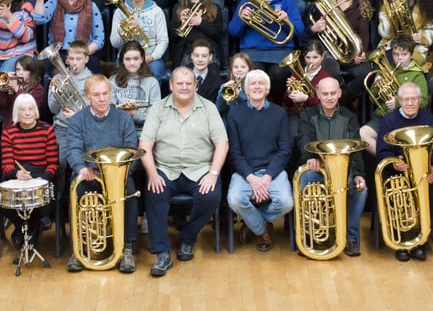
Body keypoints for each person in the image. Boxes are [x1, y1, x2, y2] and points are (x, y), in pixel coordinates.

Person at [139, 67, 228, 277]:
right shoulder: (158, 109)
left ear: (195, 85)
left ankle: (188, 237)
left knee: (211, 196)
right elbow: (144, 144)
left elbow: (222, 144)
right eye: (179, 83)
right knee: (154, 194)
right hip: (165, 170)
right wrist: (152, 174)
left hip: (200, 170)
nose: (184, 87)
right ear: (170, 85)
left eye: (189, 83)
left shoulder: (209, 108)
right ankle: (162, 253)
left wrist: (213, 174)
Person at [65, 75, 138, 273]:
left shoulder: (123, 118)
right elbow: (72, 148)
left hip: (117, 175)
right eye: (96, 95)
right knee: (76, 188)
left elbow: (132, 149)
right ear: (87, 96)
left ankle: (127, 248)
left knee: (130, 192)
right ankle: (79, 249)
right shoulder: (78, 120)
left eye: (105, 93)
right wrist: (81, 168)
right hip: (90, 175)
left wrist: (123, 172)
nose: (102, 99)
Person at [297, 77, 367, 256]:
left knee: (361, 189)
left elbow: (356, 146)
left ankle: (350, 237)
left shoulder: (349, 117)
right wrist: (310, 158)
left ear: (339, 94)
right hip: (318, 169)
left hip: (344, 171)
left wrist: (359, 174)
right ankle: (313, 235)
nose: (329, 97)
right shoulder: (307, 115)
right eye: (325, 93)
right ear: (318, 94)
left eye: (333, 93)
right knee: (305, 180)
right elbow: (304, 139)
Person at [227, 70, 293, 251]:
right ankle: (262, 229)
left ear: (267, 89)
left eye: (261, 83)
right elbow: (234, 152)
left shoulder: (279, 113)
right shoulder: (234, 114)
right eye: (253, 84)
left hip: (272, 172)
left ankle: (252, 222)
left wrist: (266, 178)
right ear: (246, 90)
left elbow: (285, 149)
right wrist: (251, 178)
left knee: (286, 203)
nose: (257, 86)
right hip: (245, 172)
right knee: (234, 199)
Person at [375, 82, 433, 262]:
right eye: (406, 99)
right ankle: (402, 239)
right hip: (397, 173)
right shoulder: (389, 120)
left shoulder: (429, 120)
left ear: (420, 100)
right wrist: (394, 163)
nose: (410, 103)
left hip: (423, 173)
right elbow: (382, 151)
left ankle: (422, 240)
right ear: (399, 100)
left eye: (414, 99)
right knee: (396, 194)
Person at [229, 0, 305, 104]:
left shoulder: (287, 1)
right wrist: (242, 19)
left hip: (280, 52)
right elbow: (233, 32)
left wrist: (287, 20)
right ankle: (255, 107)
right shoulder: (246, 2)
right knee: (255, 74)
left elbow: (300, 30)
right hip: (253, 51)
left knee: (278, 74)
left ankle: (274, 105)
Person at [0, 93, 58, 252]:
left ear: (35, 111)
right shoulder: (8, 133)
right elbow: (7, 165)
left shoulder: (47, 130)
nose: (26, 113)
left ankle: (29, 230)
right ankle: (25, 227)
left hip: (41, 174)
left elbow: (53, 163)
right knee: (3, 203)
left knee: (43, 203)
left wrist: (43, 178)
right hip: (19, 176)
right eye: (22, 109)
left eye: (30, 109)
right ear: (16, 113)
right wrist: (17, 174)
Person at [359, 34, 428, 156]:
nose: (399, 58)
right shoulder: (385, 69)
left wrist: (397, 102)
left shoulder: (417, 75)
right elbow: (373, 98)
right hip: (383, 117)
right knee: (363, 133)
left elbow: (423, 102)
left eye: (404, 54)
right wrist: (376, 85)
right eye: (396, 54)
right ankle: (388, 160)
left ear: (411, 55)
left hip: (406, 120)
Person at [308, 0, 371, 88]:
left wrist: (362, 53)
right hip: (328, 51)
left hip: (350, 55)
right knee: (332, 71)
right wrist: (314, 28)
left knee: (366, 73)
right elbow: (308, 28)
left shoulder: (361, 4)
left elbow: (364, 33)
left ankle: (344, 98)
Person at [33, 0, 105, 75]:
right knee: (60, 78)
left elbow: (99, 39)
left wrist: (79, 56)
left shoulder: (92, 6)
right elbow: (38, 19)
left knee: (91, 78)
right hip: (58, 55)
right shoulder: (54, 3)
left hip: (84, 53)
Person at [110, 0, 169, 80]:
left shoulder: (156, 11)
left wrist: (152, 57)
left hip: (150, 56)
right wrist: (125, 32)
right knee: (120, 77)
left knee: (155, 72)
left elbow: (163, 40)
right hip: (126, 57)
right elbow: (114, 42)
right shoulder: (119, 12)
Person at [376, 0, 433, 65]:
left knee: (411, 63)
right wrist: (390, 14)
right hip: (392, 45)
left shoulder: (424, 3)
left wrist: (422, 38)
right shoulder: (387, 3)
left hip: (416, 46)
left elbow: (431, 28)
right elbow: (385, 34)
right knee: (388, 63)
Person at [48, 41, 93, 170]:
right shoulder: (58, 78)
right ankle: (59, 191)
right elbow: (52, 109)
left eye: (78, 59)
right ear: (66, 59)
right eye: (71, 59)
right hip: (62, 128)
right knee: (59, 161)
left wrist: (76, 116)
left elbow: (95, 111)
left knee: (82, 162)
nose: (74, 63)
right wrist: (55, 92)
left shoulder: (92, 80)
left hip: (84, 129)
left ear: (86, 59)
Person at [169, 0, 224, 69]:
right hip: (187, 54)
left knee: (211, 75)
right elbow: (172, 38)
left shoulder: (215, 8)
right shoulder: (179, 8)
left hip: (209, 53)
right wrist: (181, 23)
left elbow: (219, 36)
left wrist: (201, 23)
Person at [282, 41, 335, 136]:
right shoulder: (296, 74)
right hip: (297, 114)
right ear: (304, 57)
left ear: (322, 57)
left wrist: (306, 98)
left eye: (315, 57)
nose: (311, 61)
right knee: (293, 134)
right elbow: (287, 103)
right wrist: (289, 91)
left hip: (318, 116)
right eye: (308, 57)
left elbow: (328, 103)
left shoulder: (327, 77)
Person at [109, 40, 161, 133]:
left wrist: (134, 114)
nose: (132, 63)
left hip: (144, 132)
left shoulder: (152, 82)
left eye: (136, 59)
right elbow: (109, 111)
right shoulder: (112, 81)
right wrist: (126, 112)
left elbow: (156, 116)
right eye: (128, 59)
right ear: (122, 61)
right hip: (118, 131)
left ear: (142, 59)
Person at [0, 55, 46, 131]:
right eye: (18, 69)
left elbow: (28, 107)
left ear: (32, 71)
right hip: (9, 129)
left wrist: (17, 89)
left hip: (28, 129)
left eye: (25, 70)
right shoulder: (13, 84)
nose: (20, 73)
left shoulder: (38, 89)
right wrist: (1, 87)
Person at [216, 52, 254, 120]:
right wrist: (222, 90)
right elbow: (219, 109)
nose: (239, 70)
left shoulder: (254, 87)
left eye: (243, 67)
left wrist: (240, 96)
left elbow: (253, 110)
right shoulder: (226, 86)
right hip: (229, 125)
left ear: (249, 69)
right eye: (236, 67)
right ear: (232, 69)